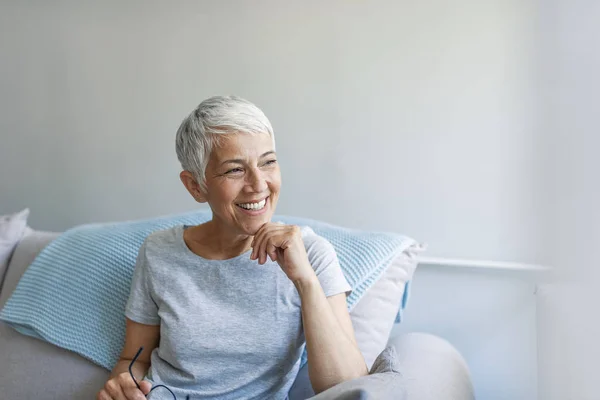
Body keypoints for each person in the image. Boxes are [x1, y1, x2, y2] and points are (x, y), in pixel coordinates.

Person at [96, 95, 367, 400]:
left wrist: (305, 281)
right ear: (196, 186)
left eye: (268, 162)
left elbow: (346, 388)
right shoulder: (158, 252)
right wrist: (121, 387)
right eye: (234, 170)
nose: (258, 183)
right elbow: (135, 359)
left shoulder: (312, 255)